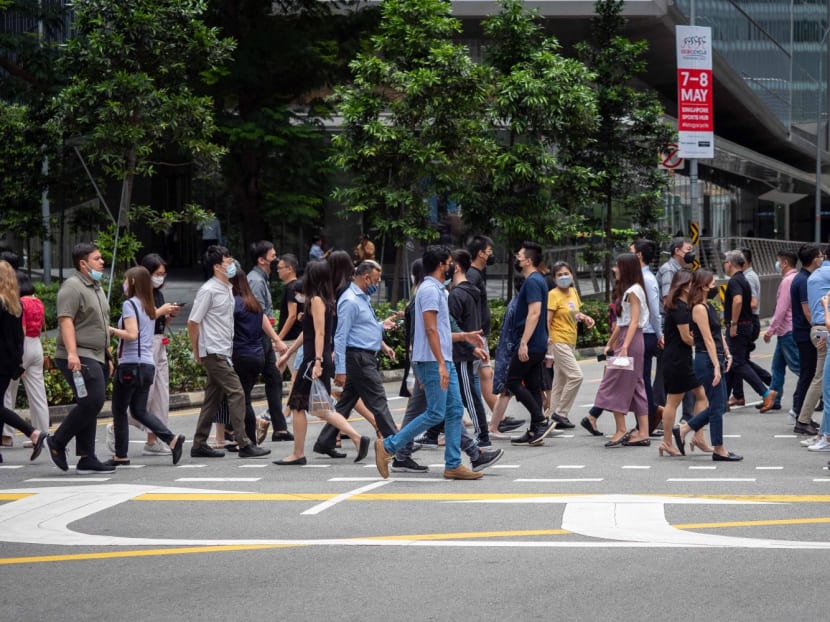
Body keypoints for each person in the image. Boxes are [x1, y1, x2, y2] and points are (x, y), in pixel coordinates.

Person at [374, 245, 486, 480]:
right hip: (432, 361)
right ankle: (390, 446)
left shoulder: (437, 290)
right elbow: (430, 329)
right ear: (440, 265)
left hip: (442, 359)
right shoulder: (429, 291)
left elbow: (441, 332)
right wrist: (441, 364)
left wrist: (465, 337)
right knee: (436, 413)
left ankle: (453, 464)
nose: (451, 267)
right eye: (448, 263)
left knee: (454, 410)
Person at [274, 260, 371, 465]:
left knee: (299, 405)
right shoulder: (319, 299)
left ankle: (298, 453)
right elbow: (306, 334)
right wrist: (288, 353)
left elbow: (320, 333)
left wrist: (317, 361)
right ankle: (356, 438)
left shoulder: (317, 300)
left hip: (313, 359)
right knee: (320, 407)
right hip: (315, 358)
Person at [187, 245, 270, 459]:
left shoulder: (227, 289)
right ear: (216, 266)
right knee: (237, 392)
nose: (232, 265)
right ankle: (243, 442)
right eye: (227, 262)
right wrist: (197, 350)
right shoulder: (208, 290)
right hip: (213, 351)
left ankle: (199, 443)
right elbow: (193, 322)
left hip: (223, 351)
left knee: (212, 400)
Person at [312, 260, 399, 458]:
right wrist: (340, 369)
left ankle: (325, 441)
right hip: (359, 358)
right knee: (378, 401)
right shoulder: (350, 300)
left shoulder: (362, 298)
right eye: (375, 280)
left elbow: (363, 327)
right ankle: (398, 444)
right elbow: (341, 336)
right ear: (366, 277)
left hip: (363, 355)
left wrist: (381, 331)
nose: (377, 284)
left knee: (346, 401)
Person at [46, 243, 115, 474]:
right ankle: (57, 442)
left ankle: (86, 457)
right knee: (92, 401)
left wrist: (107, 355)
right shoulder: (72, 287)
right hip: (78, 354)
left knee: (90, 404)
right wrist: (73, 353)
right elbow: (65, 321)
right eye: (97, 258)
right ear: (83, 264)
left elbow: (100, 323)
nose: (102, 262)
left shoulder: (95, 286)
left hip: (96, 354)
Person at [106, 266, 186, 466]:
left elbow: (132, 334)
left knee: (119, 410)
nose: (124, 283)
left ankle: (121, 455)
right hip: (148, 366)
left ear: (132, 282)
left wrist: (112, 331)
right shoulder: (149, 306)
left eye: (126, 279)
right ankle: (172, 439)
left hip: (130, 364)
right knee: (139, 411)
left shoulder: (129, 305)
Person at [673, 269, 743, 461]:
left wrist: (727, 353)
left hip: (716, 357)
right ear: (703, 286)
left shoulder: (709, 306)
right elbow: (708, 339)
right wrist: (716, 366)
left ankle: (685, 428)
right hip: (706, 360)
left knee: (718, 406)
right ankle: (719, 449)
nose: (715, 286)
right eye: (712, 283)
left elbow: (718, 334)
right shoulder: (698, 309)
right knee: (718, 406)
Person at [592, 253, 651, 448]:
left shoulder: (633, 291)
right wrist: (611, 343)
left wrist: (623, 346)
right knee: (636, 386)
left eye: (617, 266)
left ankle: (621, 429)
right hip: (630, 339)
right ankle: (643, 432)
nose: (614, 269)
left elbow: (633, 321)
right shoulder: (632, 290)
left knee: (612, 382)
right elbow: (622, 322)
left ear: (626, 268)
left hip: (631, 341)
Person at [508, 241, 558, 446]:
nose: (517, 257)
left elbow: (535, 312)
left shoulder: (533, 282)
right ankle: (534, 431)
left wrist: (523, 342)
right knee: (532, 385)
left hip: (531, 343)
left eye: (519, 255)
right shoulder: (537, 280)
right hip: (537, 343)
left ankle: (539, 420)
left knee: (512, 380)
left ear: (528, 260)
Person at [657, 269, 709, 456]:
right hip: (678, 360)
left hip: (678, 359)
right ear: (686, 286)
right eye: (692, 284)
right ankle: (669, 441)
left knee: (698, 395)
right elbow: (686, 338)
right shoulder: (679, 307)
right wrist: (704, 340)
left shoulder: (678, 306)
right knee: (674, 401)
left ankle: (695, 435)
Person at [0, 261, 47, 464]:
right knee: (34, 394)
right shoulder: (16, 305)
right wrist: (17, 362)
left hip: (3, 358)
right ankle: (39, 430)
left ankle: (31, 433)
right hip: (19, 355)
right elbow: (19, 336)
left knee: (3, 402)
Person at [246, 241, 291, 442]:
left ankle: (279, 428)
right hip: (256, 338)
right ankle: (237, 430)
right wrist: (276, 338)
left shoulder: (260, 278)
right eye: (273, 257)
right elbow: (258, 314)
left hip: (261, 337)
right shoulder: (255, 281)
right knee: (246, 385)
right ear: (262, 260)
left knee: (274, 378)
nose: (276, 260)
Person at [722, 250, 776, 412]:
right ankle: (723, 399)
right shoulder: (743, 279)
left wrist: (733, 324)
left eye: (725, 262)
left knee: (738, 362)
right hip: (745, 325)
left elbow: (737, 301)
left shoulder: (735, 281)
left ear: (730, 264)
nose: (724, 264)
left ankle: (765, 392)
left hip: (739, 327)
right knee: (732, 362)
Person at [448, 249, 491, 446]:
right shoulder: (470, 291)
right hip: (467, 350)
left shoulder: (457, 294)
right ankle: (435, 433)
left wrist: (467, 346)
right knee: (462, 395)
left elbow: (453, 324)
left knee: (469, 396)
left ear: (456, 267)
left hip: (462, 353)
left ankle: (482, 435)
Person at [544, 261, 594, 429]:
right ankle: (561, 412)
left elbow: (575, 313)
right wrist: (548, 337)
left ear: (572, 275)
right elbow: (548, 319)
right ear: (554, 278)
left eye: (566, 273)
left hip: (570, 340)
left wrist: (584, 317)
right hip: (558, 341)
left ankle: (549, 417)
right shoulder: (553, 294)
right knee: (576, 376)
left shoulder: (573, 291)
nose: (564, 277)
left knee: (560, 381)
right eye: (559, 275)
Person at [630, 239, 664, 435]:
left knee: (640, 379)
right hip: (644, 334)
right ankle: (649, 415)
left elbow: (654, 311)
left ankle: (650, 416)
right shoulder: (640, 277)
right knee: (638, 379)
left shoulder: (648, 279)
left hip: (647, 334)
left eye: (631, 251)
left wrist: (659, 334)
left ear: (639, 255)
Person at [791, 243, 824, 435]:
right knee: (809, 376)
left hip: (802, 332)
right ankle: (801, 417)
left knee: (808, 375)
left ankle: (803, 416)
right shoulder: (805, 280)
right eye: (820, 256)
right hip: (805, 333)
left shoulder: (803, 278)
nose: (821, 259)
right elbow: (808, 312)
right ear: (814, 259)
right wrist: (820, 330)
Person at [763, 250, 800, 414]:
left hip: (787, 330)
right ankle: (774, 399)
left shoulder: (787, 281)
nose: (777, 264)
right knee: (777, 366)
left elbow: (781, 309)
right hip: (787, 330)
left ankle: (819, 392)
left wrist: (770, 330)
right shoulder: (795, 277)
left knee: (797, 366)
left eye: (779, 261)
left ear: (784, 263)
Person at [275, 253, 304, 384]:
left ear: (290, 268)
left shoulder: (292, 287)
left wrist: (278, 338)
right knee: (279, 373)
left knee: (295, 376)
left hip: (290, 340)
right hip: (293, 338)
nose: (278, 271)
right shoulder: (296, 286)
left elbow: (292, 315)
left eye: (280, 268)